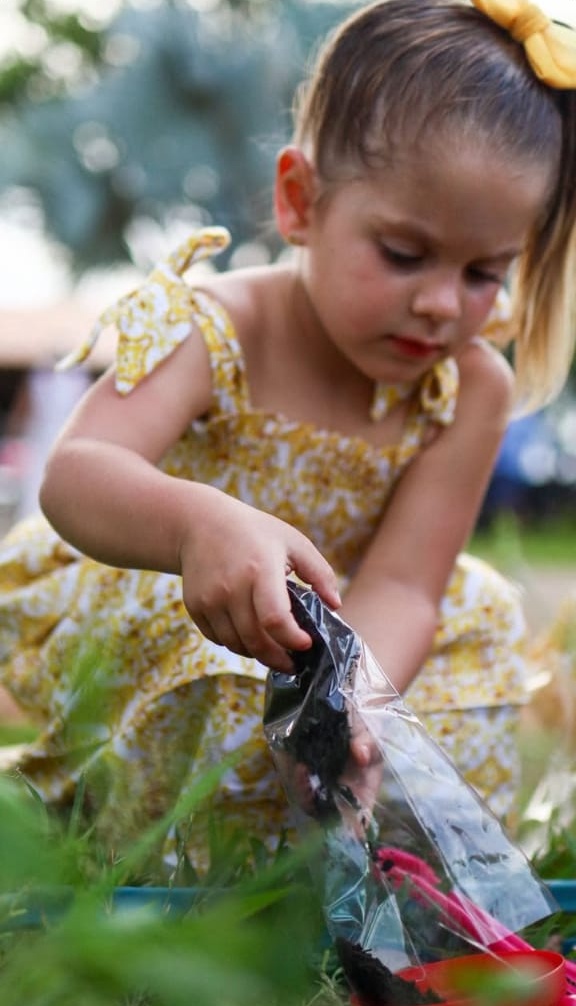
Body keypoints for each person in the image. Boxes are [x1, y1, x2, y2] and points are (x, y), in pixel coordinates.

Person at [0, 0, 575, 874]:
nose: (441, 304)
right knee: (215, 649)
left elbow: (405, 584)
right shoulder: (219, 326)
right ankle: (174, 860)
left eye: (483, 273)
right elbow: (77, 473)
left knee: (478, 619)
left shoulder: (466, 386)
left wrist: (351, 705)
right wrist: (198, 525)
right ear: (300, 200)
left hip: (347, 627)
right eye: (403, 253)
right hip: (183, 595)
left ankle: (372, 868)